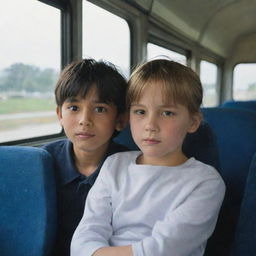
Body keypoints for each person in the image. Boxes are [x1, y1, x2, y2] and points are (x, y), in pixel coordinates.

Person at [70, 59, 226, 256]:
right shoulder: (114, 165)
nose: (150, 125)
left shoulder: (205, 182)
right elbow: (87, 232)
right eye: (140, 112)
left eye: (167, 113)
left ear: (193, 122)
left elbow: (163, 249)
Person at [42, 58, 128, 256]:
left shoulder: (131, 166)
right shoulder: (41, 163)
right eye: (74, 108)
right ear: (59, 115)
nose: (84, 120)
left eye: (100, 109)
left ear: (120, 120)